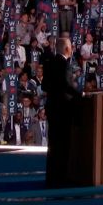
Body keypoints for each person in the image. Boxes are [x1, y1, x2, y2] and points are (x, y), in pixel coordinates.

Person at [41, 37, 81, 188]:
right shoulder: (64, 64)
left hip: (52, 108)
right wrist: (80, 94)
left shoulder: (50, 62)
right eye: (71, 46)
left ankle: (52, 178)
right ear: (66, 49)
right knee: (64, 145)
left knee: (53, 145)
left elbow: (44, 86)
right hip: (63, 109)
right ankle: (61, 179)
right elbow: (66, 85)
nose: (72, 49)